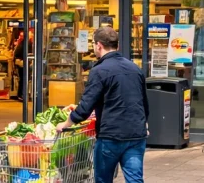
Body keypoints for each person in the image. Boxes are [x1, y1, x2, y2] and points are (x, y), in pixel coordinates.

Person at [56, 27, 148, 183]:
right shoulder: (135, 69)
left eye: (93, 44)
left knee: (103, 180)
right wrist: (144, 124)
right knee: (135, 179)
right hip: (136, 134)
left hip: (110, 136)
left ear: (99, 45)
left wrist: (65, 124)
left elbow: (86, 106)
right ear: (117, 46)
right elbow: (143, 102)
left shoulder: (99, 71)